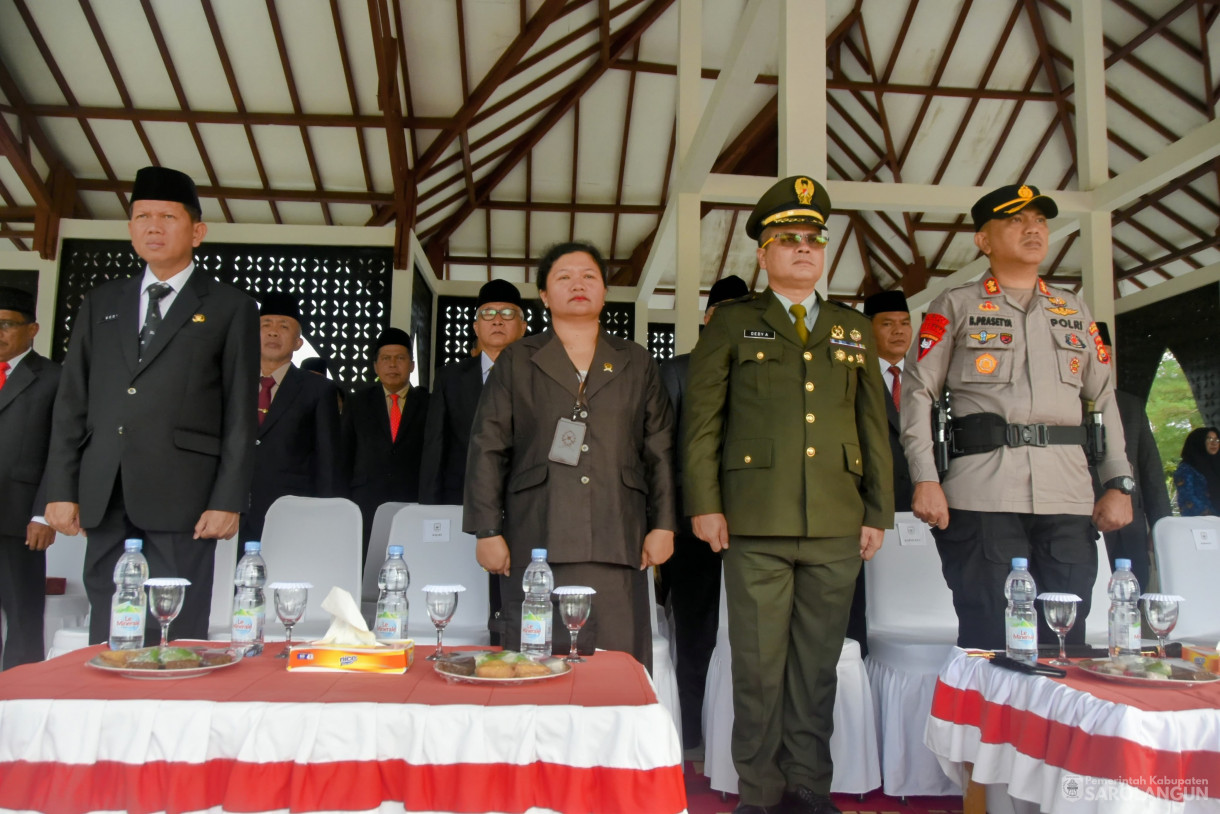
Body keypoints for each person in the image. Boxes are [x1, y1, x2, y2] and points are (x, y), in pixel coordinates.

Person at [683, 176, 893, 814]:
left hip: (836, 518)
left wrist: (877, 510)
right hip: (755, 520)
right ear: (762, 254)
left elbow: (872, 428)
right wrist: (704, 502)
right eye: (788, 239)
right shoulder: (733, 324)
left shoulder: (852, 328)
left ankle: (808, 785)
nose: (803, 249)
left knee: (816, 666)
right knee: (758, 665)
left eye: (812, 239)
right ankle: (759, 791)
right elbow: (703, 423)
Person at [901, 183, 1133, 652]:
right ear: (984, 241)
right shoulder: (955, 305)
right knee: (991, 638)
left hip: (1067, 497)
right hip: (983, 493)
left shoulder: (1074, 308)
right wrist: (925, 477)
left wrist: (1118, 482)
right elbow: (918, 393)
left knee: (1064, 641)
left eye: (1041, 221)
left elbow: (1103, 397)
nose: (1033, 229)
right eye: (1016, 220)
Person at [45, 165, 259, 643]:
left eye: (167, 216)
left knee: (175, 628)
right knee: (109, 625)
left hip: (184, 496)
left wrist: (228, 500)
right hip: (106, 490)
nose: (153, 227)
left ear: (197, 232)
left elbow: (240, 413)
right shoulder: (102, 302)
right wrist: (59, 487)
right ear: (130, 229)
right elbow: (72, 399)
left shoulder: (229, 306)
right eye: (142, 216)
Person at [464, 241, 676, 672]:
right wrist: (486, 529)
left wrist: (664, 525)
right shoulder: (517, 361)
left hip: (619, 535)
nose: (577, 284)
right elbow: (488, 445)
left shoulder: (635, 360)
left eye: (588, 276)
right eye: (564, 277)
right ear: (544, 295)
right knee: (536, 667)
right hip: (536, 534)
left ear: (603, 291)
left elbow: (659, 447)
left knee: (616, 670)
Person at [658, 273, 748, 752]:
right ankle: (693, 732)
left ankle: (741, 736)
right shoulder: (677, 371)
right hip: (693, 529)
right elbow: (665, 452)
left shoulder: (766, 368)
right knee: (696, 630)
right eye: (723, 314)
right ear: (708, 319)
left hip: (757, 528)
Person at [240, 292, 343, 543]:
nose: (274, 332)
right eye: (266, 325)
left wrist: (323, 517)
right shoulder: (232, 382)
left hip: (291, 515)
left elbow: (327, 463)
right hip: (230, 513)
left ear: (298, 342)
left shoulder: (318, 390)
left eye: (283, 327)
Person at [419, 279, 527, 505]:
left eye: (507, 313)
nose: (497, 320)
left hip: (524, 503)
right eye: (487, 313)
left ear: (523, 327)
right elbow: (435, 449)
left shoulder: (541, 377)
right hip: (461, 500)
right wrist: (430, 509)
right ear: (476, 327)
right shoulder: (449, 379)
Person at [851, 289, 914, 659]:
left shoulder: (926, 380)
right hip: (867, 510)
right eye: (887, 323)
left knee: (911, 600)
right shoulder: (854, 376)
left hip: (919, 512)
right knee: (866, 608)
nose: (898, 332)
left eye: (905, 323)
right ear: (867, 329)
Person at [0, 287, 60, 668]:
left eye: (6, 324)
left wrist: (43, 514)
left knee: (21, 613)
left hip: (18, 516)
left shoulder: (55, 377)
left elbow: (62, 450)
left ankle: (18, 697)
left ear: (32, 329)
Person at [1088, 323, 1172, 590]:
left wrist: (1161, 529)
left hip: (1128, 526)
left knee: (1130, 604)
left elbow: (1151, 471)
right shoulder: (1058, 407)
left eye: (1107, 356)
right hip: (1078, 526)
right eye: (1097, 354)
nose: (1104, 361)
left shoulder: (1130, 405)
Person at [340, 328, 429, 561]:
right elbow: (344, 454)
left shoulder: (429, 404)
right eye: (386, 359)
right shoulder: (358, 402)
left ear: (411, 365)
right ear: (376, 366)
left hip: (413, 501)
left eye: (400, 358)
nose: (393, 365)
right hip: (365, 502)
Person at [1174, 426, 1220, 516]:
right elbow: (1188, 498)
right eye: (1209, 439)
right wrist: (1213, 517)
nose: (1214, 443)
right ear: (1198, 441)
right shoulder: (1186, 469)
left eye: (1217, 440)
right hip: (1202, 524)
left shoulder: (1216, 465)